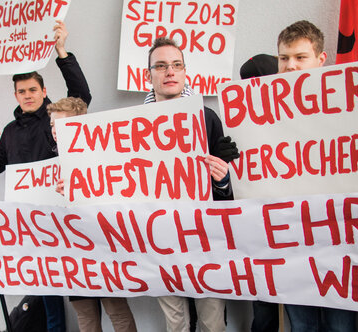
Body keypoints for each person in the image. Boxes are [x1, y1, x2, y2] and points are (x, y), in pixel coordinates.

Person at [0, 20, 91, 332]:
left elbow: (81, 93)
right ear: (15, 94)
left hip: (68, 214)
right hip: (34, 223)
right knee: (47, 290)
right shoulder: (10, 131)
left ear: (44, 90)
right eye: (21, 91)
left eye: (33, 89)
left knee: (83, 289)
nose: (27, 95)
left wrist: (62, 52)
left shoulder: (58, 117)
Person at [145, 37, 238, 332]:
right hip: (157, 238)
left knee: (212, 320)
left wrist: (223, 181)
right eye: (160, 66)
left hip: (205, 237)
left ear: (186, 72)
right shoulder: (130, 126)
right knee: (175, 323)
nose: (169, 72)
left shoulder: (207, 119)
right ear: (149, 75)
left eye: (176, 65)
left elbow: (228, 194)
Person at [276, 20, 356, 332]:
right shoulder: (260, 114)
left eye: (300, 57)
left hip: (339, 239)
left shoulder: (349, 108)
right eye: (284, 58)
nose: (290, 66)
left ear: (321, 61)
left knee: (340, 327)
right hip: (291, 239)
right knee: (302, 326)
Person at [48, 97, 137, 332]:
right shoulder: (48, 163)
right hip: (71, 249)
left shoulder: (104, 158)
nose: (55, 131)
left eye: (60, 125)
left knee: (116, 309)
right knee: (85, 314)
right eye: (52, 125)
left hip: (102, 246)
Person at [237, 55, 280, 332]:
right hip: (259, 233)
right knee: (264, 313)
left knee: (303, 316)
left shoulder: (310, 122)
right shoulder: (238, 127)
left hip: (305, 233)